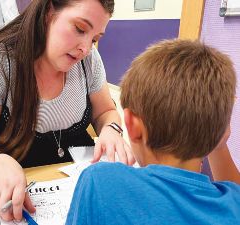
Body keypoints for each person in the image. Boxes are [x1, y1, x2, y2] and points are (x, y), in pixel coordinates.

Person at [0, 0, 135, 221]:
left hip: (77, 192)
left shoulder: (89, 61)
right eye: (79, 29)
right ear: (48, 11)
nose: (86, 48)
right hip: (14, 201)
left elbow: (105, 111)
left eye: (95, 39)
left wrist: (112, 129)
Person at [66, 39, 240, 225]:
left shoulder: (100, 181)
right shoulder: (232, 203)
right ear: (220, 132)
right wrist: (218, 144)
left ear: (131, 125)